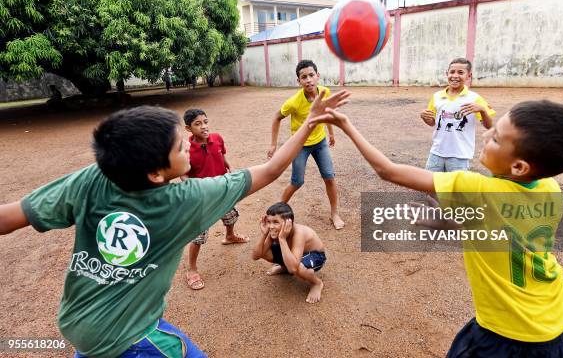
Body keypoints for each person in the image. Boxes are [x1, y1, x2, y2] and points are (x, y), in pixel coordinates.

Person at [0, 89, 350, 357]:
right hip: (126, 335)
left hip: (76, 324)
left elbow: (11, 216)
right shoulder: (186, 201)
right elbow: (272, 171)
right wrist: (310, 122)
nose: (187, 142)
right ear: (155, 172)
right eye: (176, 144)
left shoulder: (94, 176)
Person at [311, 99, 563, 357]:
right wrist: (444, 222)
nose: (484, 135)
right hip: (562, 322)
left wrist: (346, 125)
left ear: (519, 166)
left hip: (510, 336)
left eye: (495, 138)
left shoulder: (475, 187)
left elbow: (388, 170)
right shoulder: (550, 188)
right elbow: (503, 234)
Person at [267, 59, 345, 229]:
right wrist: (273, 145)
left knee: (329, 177)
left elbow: (327, 113)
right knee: (297, 182)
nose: (308, 79)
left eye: (311, 75)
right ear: (299, 81)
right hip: (300, 145)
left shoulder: (324, 92)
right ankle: (275, 214)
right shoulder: (294, 102)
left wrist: (331, 133)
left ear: (318, 76)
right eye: (304, 77)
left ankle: (334, 213)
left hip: (320, 142)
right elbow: (276, 117)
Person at [183, 108, 249, 291]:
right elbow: (184, 175)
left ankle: (229, 236)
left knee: (231, 216)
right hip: (203, 198)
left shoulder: (217, 138)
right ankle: (192, 269)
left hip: (223, 190)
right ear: (188, 128)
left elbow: (222, 154)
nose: (204, 126)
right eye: (198, 124)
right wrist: (193, 191)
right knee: (198, 235)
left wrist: (229, 168)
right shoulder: (187, 151)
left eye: (205, 121)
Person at [420, 58, 496, 172]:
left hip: (460, 155)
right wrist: (424, 117)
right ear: (447, 74)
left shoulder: (474, 98)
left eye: (460, 72)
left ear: (468, 76)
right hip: (436, 152)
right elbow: (432, 123)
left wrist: (483, 110)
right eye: (452, 72)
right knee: (431, 185)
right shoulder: (437, 96)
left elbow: (489, 126)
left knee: (456, 188)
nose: (455, 76)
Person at [252, 202, 326, 304]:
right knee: (265, 251)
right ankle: (284, 267)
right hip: (294, 255)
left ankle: (316, 283)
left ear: (288, 223)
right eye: (269, 221)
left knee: (298, 267)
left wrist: (282, 239)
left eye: (275, 222)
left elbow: (293, 268)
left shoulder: (299, 233)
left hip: (315, 255)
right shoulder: (273, 230)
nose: (271, 226)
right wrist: (264, 235)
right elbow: (256, 256)